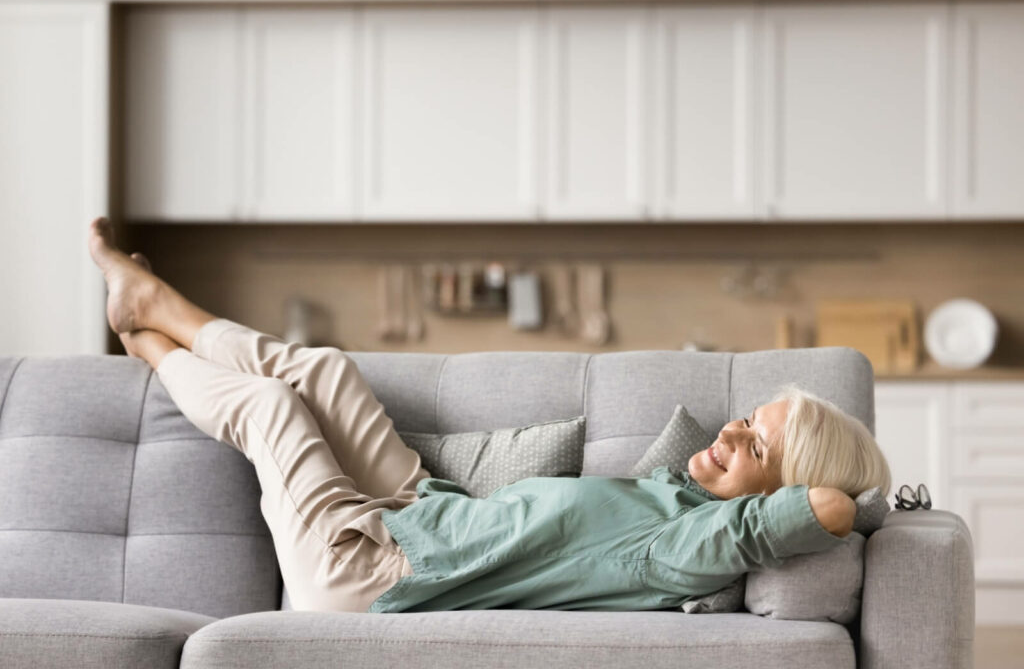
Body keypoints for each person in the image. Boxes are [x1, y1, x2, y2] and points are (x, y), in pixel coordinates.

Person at [87, 217, 891, 615]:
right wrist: (752, 462)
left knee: (270, 408)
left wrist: (864, 502)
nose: (730, 432)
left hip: (371, 575)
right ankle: (155, 305)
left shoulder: (691, 546)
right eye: (745, 418)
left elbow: (826, 508)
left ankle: (147, 342)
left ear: (775, 494)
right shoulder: (673, 499)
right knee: (326, 370)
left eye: (757, 446)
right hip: (417, 513)